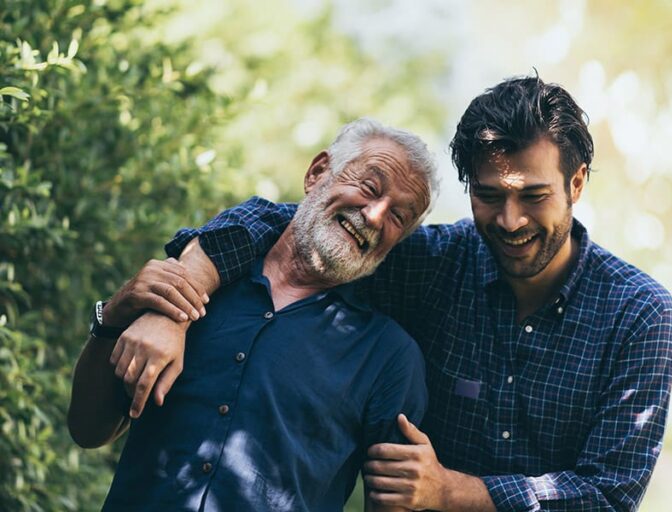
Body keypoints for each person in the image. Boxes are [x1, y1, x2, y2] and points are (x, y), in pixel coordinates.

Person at [111, 75, 672, 511]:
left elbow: (608, 494)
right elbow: (293, 227)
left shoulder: (638, 313)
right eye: (487, 196)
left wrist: (450, 491)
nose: (508, 221)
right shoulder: (434, 265)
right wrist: (178, 300)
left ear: (576, 184)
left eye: (533, 195)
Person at [67, 118, 441, 511]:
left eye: (400, 216)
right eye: (369, 187)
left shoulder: (390, 358)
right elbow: (89, 429)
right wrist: (113, 314)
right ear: (317, 173)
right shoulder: (195, 279)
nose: (376, 215)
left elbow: (398, 498)